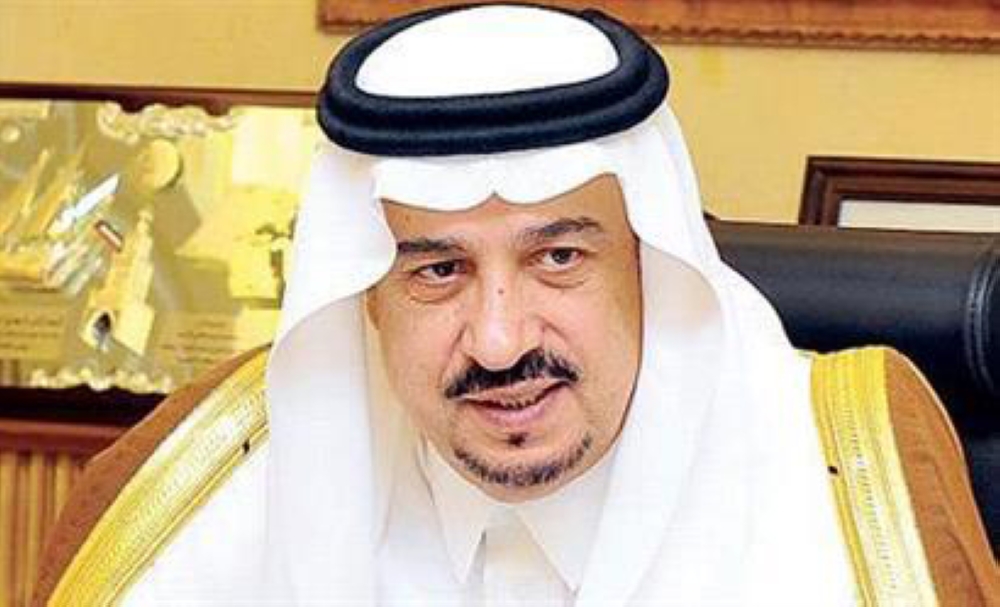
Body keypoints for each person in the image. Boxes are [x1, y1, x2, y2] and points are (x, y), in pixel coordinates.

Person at [34, 4, 997, 606]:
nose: (499, 341)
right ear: (365, 298)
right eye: (436, 272)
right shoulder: (197, 495)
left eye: (560, 257)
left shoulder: (849, 484)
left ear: (650, 268)